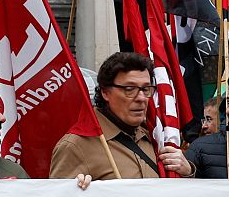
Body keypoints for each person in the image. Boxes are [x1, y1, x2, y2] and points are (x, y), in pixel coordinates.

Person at [52, 52, 183, 180]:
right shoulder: (76, 146)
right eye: (129, 89)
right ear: (105, 92)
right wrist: (80, 192)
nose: (141, 98)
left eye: (146, 89)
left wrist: (187, 173)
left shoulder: (154, 137)